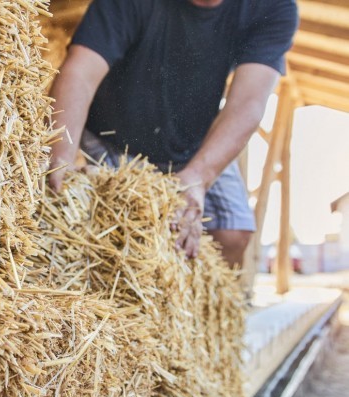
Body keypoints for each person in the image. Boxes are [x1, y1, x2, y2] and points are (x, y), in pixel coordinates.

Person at [47, 0, 299, 268]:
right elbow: (80, 73)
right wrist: (60, 155)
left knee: (232, 235)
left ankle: (198, 305)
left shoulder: (274, 7)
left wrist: (198, 179)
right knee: (118, 229)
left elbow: (248, 102)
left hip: (195, 143)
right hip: (112, 136)